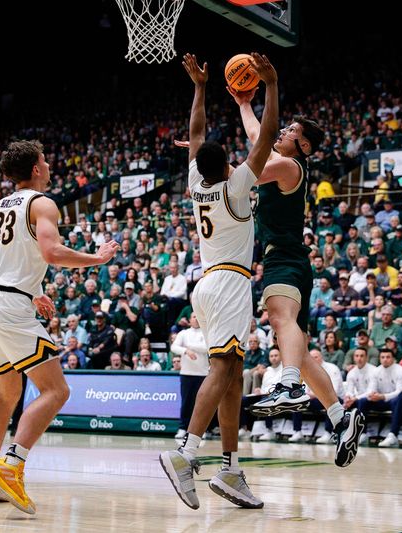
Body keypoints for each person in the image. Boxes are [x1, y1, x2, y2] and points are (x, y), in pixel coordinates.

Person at [0, 140, 118, 514]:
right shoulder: (42, 202)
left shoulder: (2, 205)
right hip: (8, 307)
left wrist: (34, 291)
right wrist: (96, 259)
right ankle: (12, 466)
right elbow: (51, 253)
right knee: (56, 391)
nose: (49, 165)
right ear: (36, 168)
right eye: (45, 160)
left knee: (7, 393)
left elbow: (12, 256)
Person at [230, 56, 364, 468]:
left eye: (290, 131)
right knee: (302, 353)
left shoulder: (289, 165)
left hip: (284, 259)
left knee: (278, 317)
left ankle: (287, 386)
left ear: (302, 146)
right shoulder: (282, 160)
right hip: (290, 260)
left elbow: (246, 170)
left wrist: (205, 163)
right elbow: (259, 136)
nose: (282, 131)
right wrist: (242, 104)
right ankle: (342, 419)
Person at [159, 52, 277, 511]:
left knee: (232, 377)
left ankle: (229, 469)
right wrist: (270, 84)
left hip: (208, 282)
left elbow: (196, 134)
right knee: (224, 371)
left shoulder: (198, 181)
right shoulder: (234, 184)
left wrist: (201, 88)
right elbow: (266, 135)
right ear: (229, 165)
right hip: (227, 283)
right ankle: (186, 453)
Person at [170, 313, 209, 440]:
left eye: (198, 316)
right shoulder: (183, 333)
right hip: (186, 373)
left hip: (202, 373)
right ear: (189, 320)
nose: (196, 318)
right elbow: (174, 347)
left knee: (202, 403)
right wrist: (185, 350)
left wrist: (190, 346)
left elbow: (206, 348)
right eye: (193, 316)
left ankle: (201, 430)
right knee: (186, 402)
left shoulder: (206, 332)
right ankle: (183, 428)